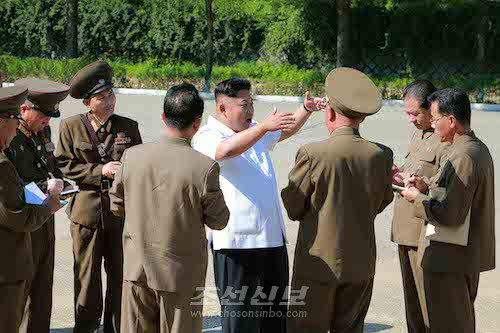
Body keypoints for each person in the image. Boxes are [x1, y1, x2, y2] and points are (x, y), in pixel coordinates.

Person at [192, 78, 323, 333]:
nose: (250, 110)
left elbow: (283, 130)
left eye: (252, 103)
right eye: (244, 105)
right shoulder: (208, 135)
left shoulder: (253, 130)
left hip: (271, 239)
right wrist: (262, 128)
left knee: (274, 319)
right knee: (241, 318)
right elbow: (223, 152)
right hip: (236, 244)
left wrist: (305, 110)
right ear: (223, 109)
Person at [109, 83, 229, 333]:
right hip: (180, 277)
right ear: (197, 124)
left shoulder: (132, 156)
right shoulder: (204, 167)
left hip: (137, 270)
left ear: (163, 117)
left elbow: (117, 206)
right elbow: (219, 220)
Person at [281, 67, 394, 333]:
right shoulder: (381, 155)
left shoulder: (313, 153)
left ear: (329, 112)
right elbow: (383, 200)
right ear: (362, 118)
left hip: (318, 264)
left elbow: (293, 206)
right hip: (361, 262)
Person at [55, 60, 142, 333]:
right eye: (102, 97)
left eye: (111, 95)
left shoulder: (128, 126)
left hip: (119, 214)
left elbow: (140, 164)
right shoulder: (71, 127)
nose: (109, 101)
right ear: (87, 103)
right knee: (87, 277)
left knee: (120, 276)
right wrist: (99, 170)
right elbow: (64, 165)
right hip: (86, 214)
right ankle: (86, 327)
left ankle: (116, 328)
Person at [402, 88, 495, 333]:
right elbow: (457, 196)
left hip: (450, 259)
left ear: (451, 121)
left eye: (434, 119)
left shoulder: (463, 155)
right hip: (458, 257)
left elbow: (451, 215)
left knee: (450, 324)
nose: (432, 126)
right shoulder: (473, 149)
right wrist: (426, 186)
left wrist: (416, 198)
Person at [5, 78, 71, 333]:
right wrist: (46, 189)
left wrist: (61, 183)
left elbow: (49, 165)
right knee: (21, 290)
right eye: (43, 116)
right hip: (22, 223)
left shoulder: (43, 131)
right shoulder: (9, 136)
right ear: (23, 110)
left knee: (43, 287)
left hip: (45, 218)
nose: (47, 122)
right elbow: (11, 184)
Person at [390, 80, 451, 332]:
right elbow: (415, 170)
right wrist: (399, 174)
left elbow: (445, 184)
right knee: (412, 303)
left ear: (431, 109)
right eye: (407, 113)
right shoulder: (418, 134)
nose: (411, 119)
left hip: (425, 232)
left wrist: (422, 184)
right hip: (405, 230)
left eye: (415, 113)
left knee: (429, 304)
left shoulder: (445, 139)